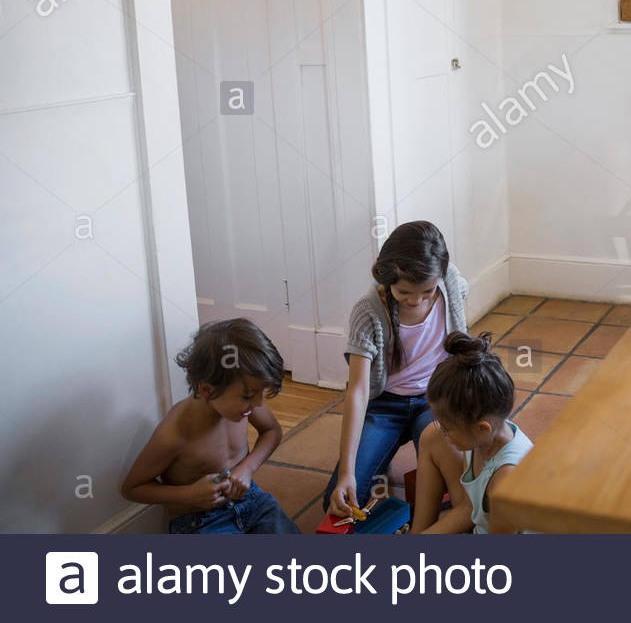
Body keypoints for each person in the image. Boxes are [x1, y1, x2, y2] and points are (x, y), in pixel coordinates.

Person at [323, 220, 469, 517]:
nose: (416, 300)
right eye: (405, 292)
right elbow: (359, 392)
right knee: (338, 505)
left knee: (456, 486)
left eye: (426, 291)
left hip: (435, 399)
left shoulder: (450, 282)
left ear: (439, 276)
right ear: (388, 277)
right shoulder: (368, 311)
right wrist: (346, 473)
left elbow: (459, 313)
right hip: (383, 405)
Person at [120, 318, 298, 533]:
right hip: (201, 520)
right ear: (207, 390)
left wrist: (247, 468)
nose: (259, 403)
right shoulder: (175, 432)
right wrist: (189, 494)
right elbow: (132, 488)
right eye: (250, 396)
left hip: (252, 500)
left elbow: (272, 431)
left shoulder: (247, 403)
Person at [410, 332, 533, 534]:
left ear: (482, 428)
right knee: (431, 435)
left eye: (448, 428)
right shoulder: (483, 439)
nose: (444, 433)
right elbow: (469, 508)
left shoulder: (505, 482)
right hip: (484, 524)